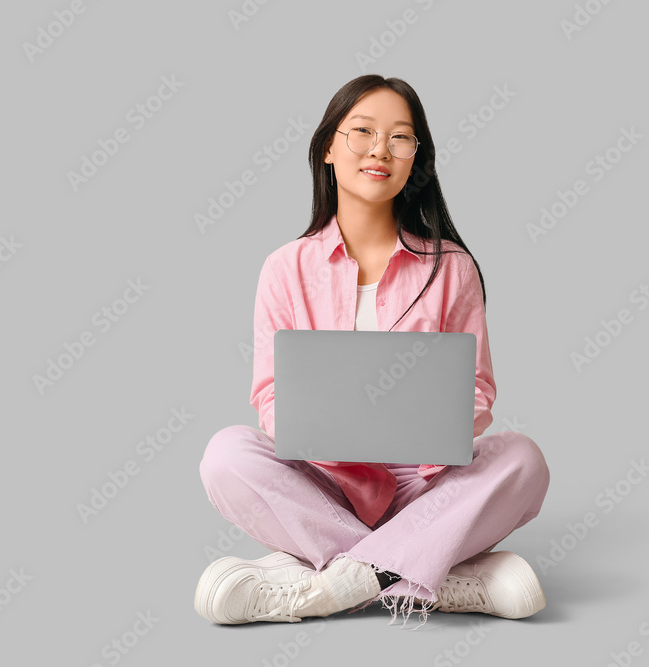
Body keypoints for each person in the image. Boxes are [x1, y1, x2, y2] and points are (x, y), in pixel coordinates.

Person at [194, 74, 550, 627]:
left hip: (426, 484)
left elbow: (478, 388)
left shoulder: (451, 267)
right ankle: (434, 574)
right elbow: (269, 396)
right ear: (329, 149)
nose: (380, 149)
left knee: (522, 458)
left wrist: (437, 421)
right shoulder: (285, 269)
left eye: (400, 137)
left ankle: (335, 582)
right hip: (326, 484)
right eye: (362, 131)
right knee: (226, 454)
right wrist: (323, 429)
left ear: (416, 159)